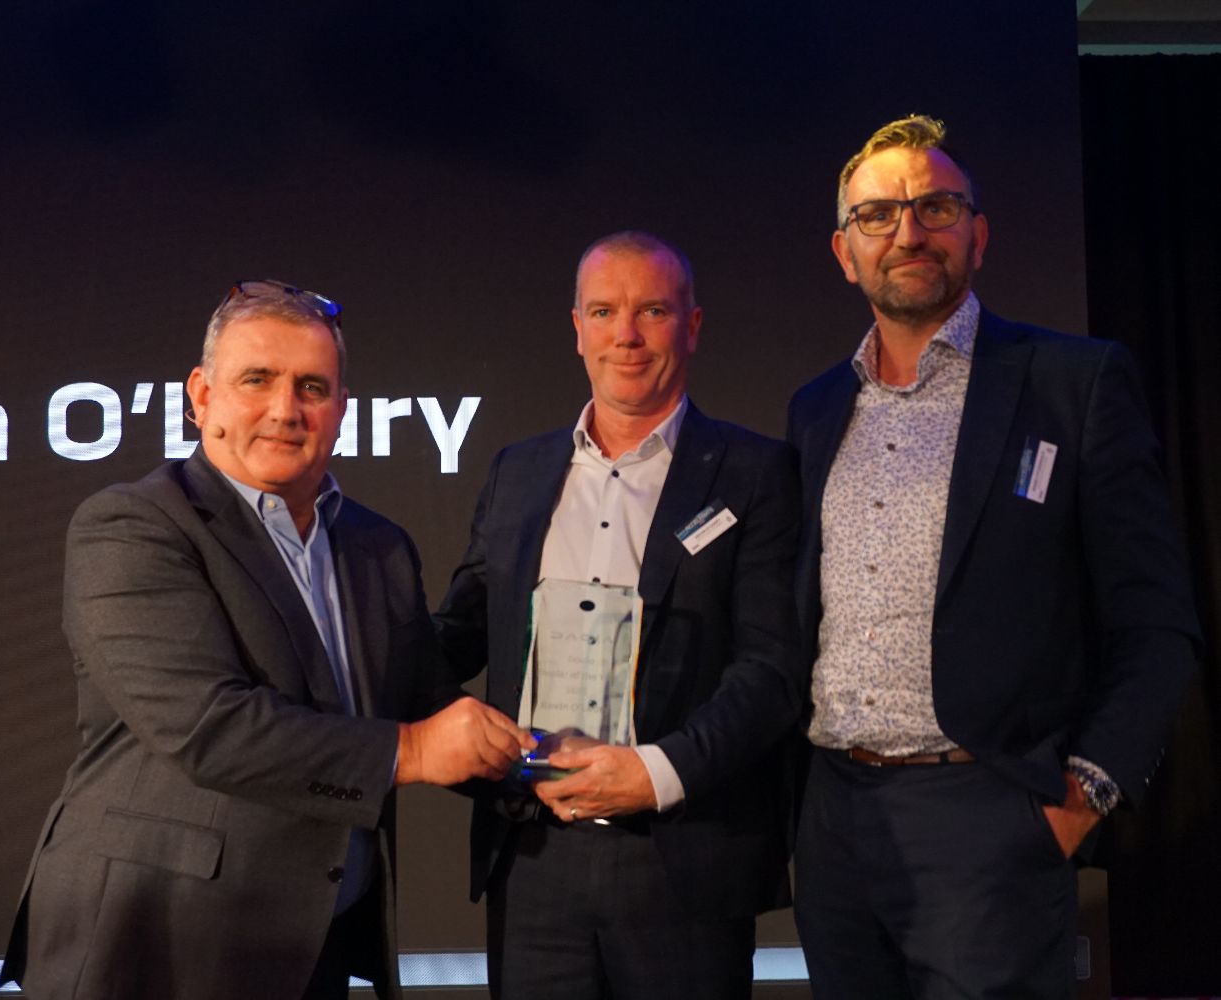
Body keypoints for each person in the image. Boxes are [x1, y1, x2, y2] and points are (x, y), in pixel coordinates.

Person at [0, 279, 533, 1000]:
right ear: (201, 396)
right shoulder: (132, 526)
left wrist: (553, 766)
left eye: (312, 387)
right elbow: (210, 727)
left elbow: (429, 704)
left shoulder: (378, 546)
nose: (286, 409)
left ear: (341, 409)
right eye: (257, 380)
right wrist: (410, 751)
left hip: (313, 943)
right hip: (157, 946)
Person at [787, 115, 1200, 997]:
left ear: (978, 233)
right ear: (844, 252)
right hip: (834, 822)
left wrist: (1081, 798)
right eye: (877, 215)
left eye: (935, 207)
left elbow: (1155, 623)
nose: (908, 232)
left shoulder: (1073, 381)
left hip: (989, 817)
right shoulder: (817, 408)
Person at [435, 232, 804, 999]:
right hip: (533, 857)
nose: (626, 335)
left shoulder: (755, 473)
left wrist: (653, 773)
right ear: (577, 329)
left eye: (652, 311)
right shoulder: (518, 471)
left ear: (691, 326)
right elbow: (459, 635)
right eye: (604, 312)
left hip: (682, 859)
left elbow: (771, 670)